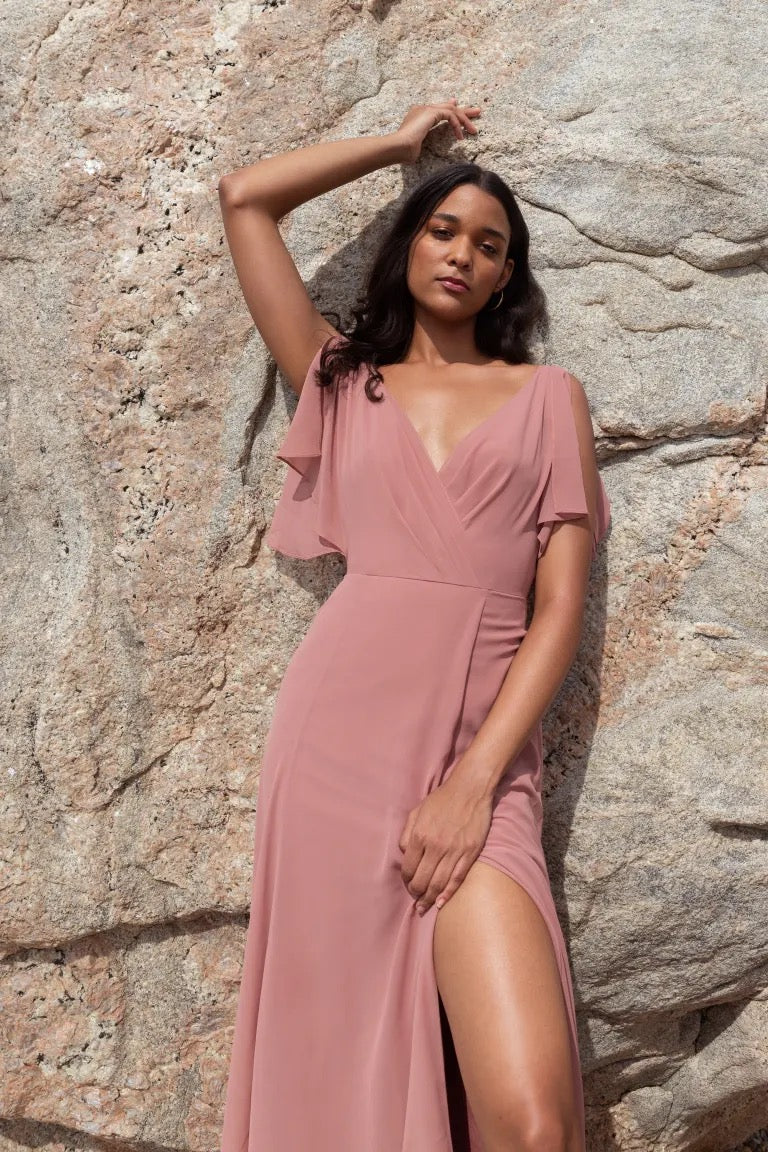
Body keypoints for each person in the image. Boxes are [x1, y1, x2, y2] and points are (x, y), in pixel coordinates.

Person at [217, 98, 611, 1152]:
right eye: (443, 229)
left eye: (490, 245)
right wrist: (401, 150)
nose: (463, 255)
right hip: (336, 756)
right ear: (408, 244)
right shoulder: (343, 384)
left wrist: (475, 783)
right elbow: (246, 198)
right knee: (335, 1083)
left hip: (478, 770)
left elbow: (558, 608)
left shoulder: (546, 398)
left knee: (532, 1121)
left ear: (507, 278)